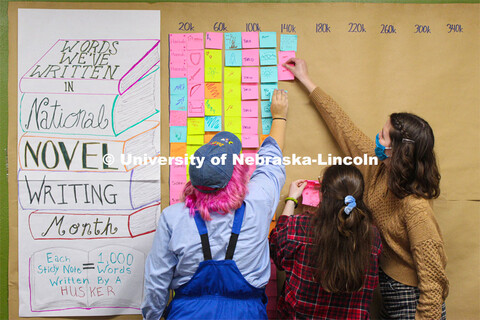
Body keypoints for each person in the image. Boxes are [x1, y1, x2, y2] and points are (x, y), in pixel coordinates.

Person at [283, 58, 448, 320]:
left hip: (412, 298)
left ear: (398, 151)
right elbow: (344, 128)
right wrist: (306, 80)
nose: (376, 138)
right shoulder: (378, 166)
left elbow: (433, 278)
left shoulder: (415, 207)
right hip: (387, 287)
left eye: (383, 136)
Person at [141, 90, 288, 320]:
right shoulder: (259, 201)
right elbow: (272, 163)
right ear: (238, 174)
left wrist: (153, 316)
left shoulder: (173, 217)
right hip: (246, 314)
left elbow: (156, 279)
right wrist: (279, 117)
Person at [270, 165, 382, 319]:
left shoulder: (299, 227)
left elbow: (276, 252)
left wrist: (291, 200)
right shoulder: (372, 236)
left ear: (322, 194)